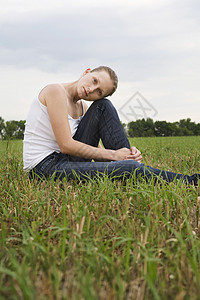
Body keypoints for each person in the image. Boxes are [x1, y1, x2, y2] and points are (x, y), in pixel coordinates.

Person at [23, 66, 200, 185]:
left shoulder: (83, 107)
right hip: (44, 168)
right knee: (129, 168)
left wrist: (127, 154)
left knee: (104, 106)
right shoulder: (55, 91)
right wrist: (115, 154)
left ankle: (131, 167)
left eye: (99, 91)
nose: (92, 90)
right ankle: (192, 182)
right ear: (86, 72)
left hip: (65, 160)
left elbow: (96, 153)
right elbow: (66, 145)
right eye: (93, 81)